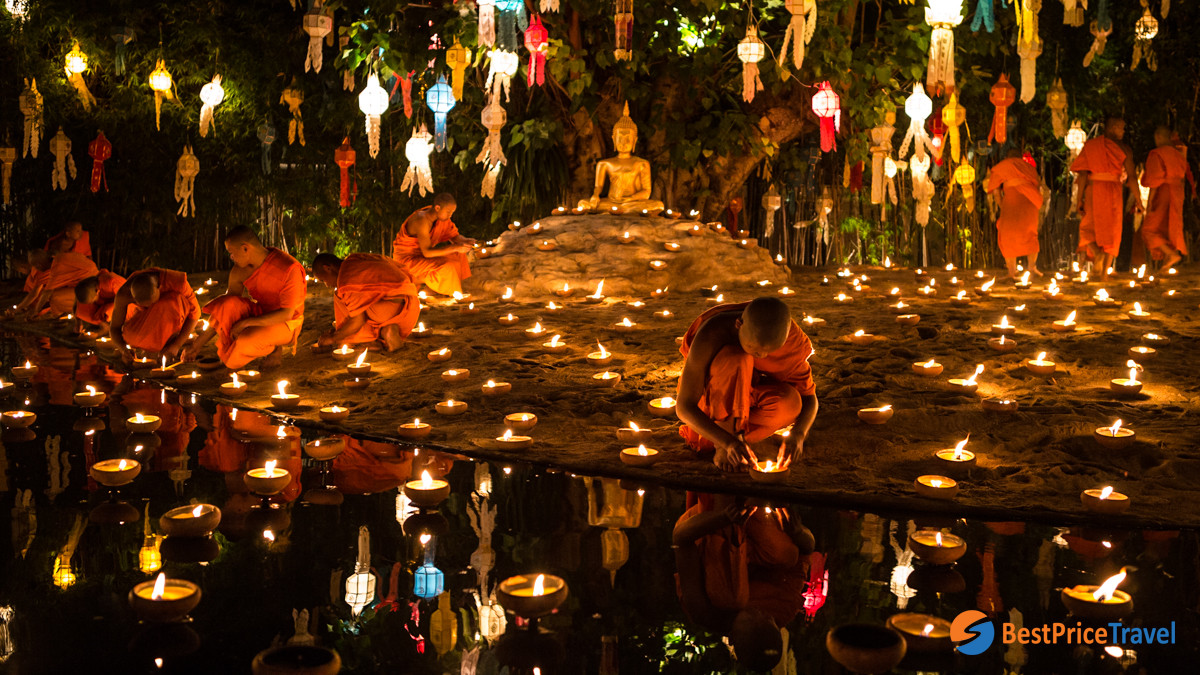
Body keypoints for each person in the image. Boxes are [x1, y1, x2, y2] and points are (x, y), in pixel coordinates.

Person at [673, 492, 814, 672]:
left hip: (714, 521)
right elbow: (807, 550)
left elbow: (680, 538)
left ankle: (725, 494)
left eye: (750, 617)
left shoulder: (703, 612)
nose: (758, 611)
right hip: (755, 524)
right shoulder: (783, 610)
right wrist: (799, 532)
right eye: (767, 617)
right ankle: (756, 497)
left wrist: (722, 518)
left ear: (731, 637)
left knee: (730, 599)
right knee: (788, 555)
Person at [676, 297, 818, 472]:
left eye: (770, 350)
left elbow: (809, 398)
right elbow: (683, 406)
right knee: (736, 358)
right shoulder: (710, 334)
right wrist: (726, 442)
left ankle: (740, 440)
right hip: (712, 406)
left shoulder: (790, 339)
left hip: (750, 399)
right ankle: (724, 442)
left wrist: (799, 434)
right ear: (739, 324)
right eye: (755, 348)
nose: (762, 356)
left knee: (791, 403)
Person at [184, 226, 306, 369]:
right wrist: (197, 345)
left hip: (287, 322)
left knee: (243, 345)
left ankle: (274, 349)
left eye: (231, 252)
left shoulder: (289, 268)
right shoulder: (240, 270)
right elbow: (224, 310)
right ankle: (257, 340)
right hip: (261, 313)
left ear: (245, 248)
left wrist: (245, 323)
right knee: (225, 303)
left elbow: (287, 314)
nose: (231, 257)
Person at [311, 252, 420, 352]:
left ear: (327, 268)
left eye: (323, 280)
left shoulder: (346, 278)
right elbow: (401, 268)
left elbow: (358, 320)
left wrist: (333, 338)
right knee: (358, 303)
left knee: (341, 298)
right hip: (410, 305)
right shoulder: (355, 258)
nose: (327, 285)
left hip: (388, 310)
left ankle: (366, 340)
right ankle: (388, 330)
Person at [1072, 117, 1139, 279]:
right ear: (1113, 128)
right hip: (1113, 191)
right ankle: (1103, 274)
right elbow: (1131, 177)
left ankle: (1097, 254)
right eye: (1121, 128)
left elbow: (1082, 174)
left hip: (1093, 189)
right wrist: (1139, 200)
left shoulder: (1091, 146)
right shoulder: (1125, 149)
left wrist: (1079, 199)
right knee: (1112, 231)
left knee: (1088, 228)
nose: (1123, 132)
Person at [109, 268, 201, 364]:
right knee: (130, 337)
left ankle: (171, 338)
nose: (149, 307)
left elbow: (195, 313)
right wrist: (123, 350)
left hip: (169, 312)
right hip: (145, 319)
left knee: (171, 302)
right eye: (144, 305)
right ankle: (157, 342)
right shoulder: (124, 294)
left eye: (151, 303)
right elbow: (114, 328)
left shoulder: (175, 281)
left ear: (159, 287)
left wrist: (176, 345)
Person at [392, 193, 475, 296]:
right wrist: (455, 247)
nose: (451, 215)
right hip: (408, 260)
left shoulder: (441, 219)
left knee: (458, 254)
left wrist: (466, 241)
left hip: (422, 256)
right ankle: (451, 292)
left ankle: (435, 289)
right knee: (447, 266)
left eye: (452, 212)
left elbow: (454, 236)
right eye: (448, 212)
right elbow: (427, 252)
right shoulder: (421, 220)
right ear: (437, 208)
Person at [985, 147, 1045, 279]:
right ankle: (1031, 267)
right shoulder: (1029, 167)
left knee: (1008, 237)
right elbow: (1038, 185)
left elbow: (996, 192)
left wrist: (1002, 206)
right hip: (1030, 203)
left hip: (1011, 203)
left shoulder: (1002, 167)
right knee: (1030, 234)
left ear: (1007, 157)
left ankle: (1012, 271)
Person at [1140, 126, 1190, 269]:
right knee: (1168, 226)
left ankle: (1171, 254)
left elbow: (1155, 180)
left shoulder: (1157, 154)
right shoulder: (1178, 153)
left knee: (1148, 228)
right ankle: (1169, 259)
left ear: (1159, 137)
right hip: (1177, 192)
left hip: (1164, 191)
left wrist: (1150, 202)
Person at [22, 241, 99, 318]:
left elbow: (46, 293)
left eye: (35, 266)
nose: (35, 269)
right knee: (56, 294)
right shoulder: (58, 258)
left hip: (91, 289)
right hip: (89, 284)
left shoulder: (57, 266)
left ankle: (84, 311)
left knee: (54, 297)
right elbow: (36, 292)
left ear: (39, 265)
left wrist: (35, 311)